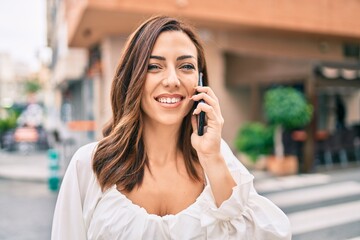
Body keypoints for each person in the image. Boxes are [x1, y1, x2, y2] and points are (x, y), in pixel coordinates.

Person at [52, 16, 291, 239]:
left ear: (199, 82)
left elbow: (267, 234)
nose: (172, 80)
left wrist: (211, 157)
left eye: (186, 66)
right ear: (132, 77)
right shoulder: (90, 165)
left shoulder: (216, 158)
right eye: (154, 67)